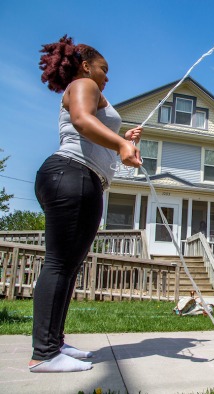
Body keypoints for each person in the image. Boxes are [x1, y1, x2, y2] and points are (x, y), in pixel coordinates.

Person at [30, 35, 143, 372]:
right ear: (85, 65)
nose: (106, 76)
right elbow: (81, 119)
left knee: (67, 265)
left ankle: (55, 342)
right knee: (59, 264)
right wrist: (122, 145)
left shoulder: (91, 89)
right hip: (72, 175)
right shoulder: (84, 84)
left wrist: (122, 141)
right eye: (103, 69)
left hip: (76, 177)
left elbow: (91, 130)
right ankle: (44, 353)